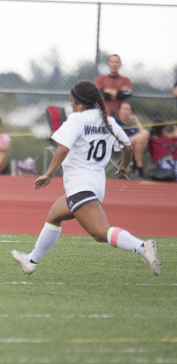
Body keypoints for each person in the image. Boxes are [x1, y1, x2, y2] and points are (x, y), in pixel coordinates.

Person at [11, 80, 160, 276]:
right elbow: (128, 147)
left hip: (81, 185)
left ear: (80, 103)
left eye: (72, 101)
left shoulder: (76, 120)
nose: (70, 104)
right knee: (55, 214)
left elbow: (62, 148)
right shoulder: (108, 120)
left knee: (100, 233)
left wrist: (48, 174)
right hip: (96, 184)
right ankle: (31, 261)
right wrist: (124, 165)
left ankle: (142, 247)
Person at [115, 101, 149, 178]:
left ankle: (136, 166)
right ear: (119, 111)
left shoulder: (131, 127)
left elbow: (145, 134)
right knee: (141, 137)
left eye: (128, 110)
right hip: (119, 146)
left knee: (142, 137)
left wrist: (137, 122)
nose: (126, 112)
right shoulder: (115, 122)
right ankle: (138, 167)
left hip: (131, 148)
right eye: (124, 109)